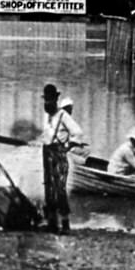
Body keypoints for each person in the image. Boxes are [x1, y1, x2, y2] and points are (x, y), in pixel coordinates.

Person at [40, 83, 83, 235]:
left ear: (55, 100)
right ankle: (52, 223)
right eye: (46, 100)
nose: (47, 103)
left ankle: (65, 224)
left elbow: (78, 132)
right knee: (48, 187)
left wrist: (68, 146)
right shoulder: (46, 116)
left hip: (58, 153)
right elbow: (46, 134)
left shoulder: (63, 116)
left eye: (50, 100)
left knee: (59, 189)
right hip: (47, 152)